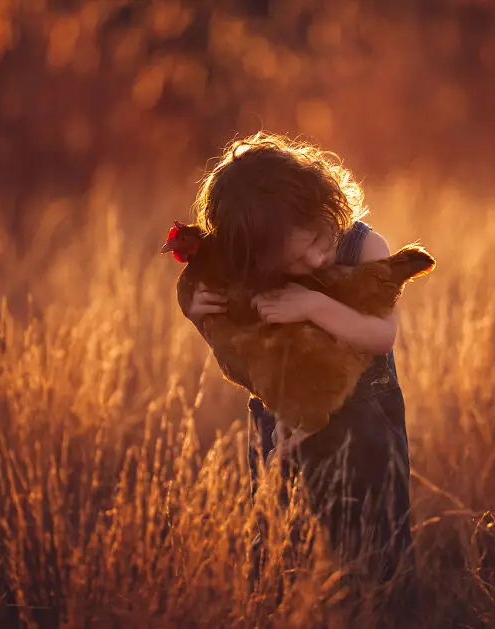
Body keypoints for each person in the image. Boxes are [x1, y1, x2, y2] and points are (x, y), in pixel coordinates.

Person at [183, 132, 415, 593]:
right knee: (280, 542)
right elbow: (242, 349)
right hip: (282, 419)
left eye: (314, 238)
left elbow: (382, 334)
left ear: (324, 203)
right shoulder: (255, 265)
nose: (315, 257)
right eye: (293, 261)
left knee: (374, 539)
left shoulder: (363, 247)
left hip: (362, 418)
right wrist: (200, 312)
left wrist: (311, 305)